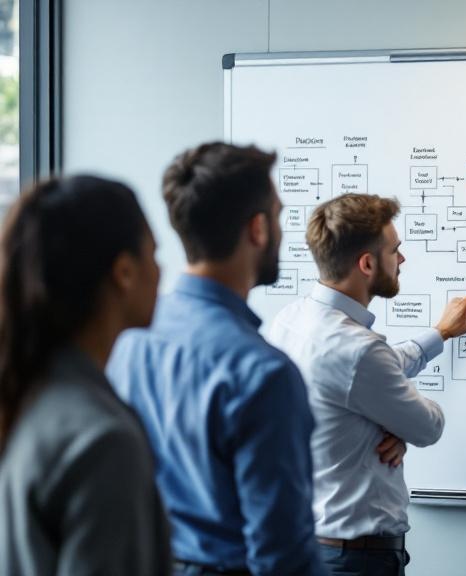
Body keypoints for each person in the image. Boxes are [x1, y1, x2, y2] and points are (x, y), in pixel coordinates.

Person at [107, 142, 325, 576]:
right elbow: (283, 557)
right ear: (258, 229)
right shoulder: (263, 374)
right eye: (278, 215)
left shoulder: (127, 341)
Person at [267, 193, 466, 576]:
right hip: (356, 562)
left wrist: (439, 334)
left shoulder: (290, 319)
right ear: (367, 264)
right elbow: (427, 426)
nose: (402, 260)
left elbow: (365, 374)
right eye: (395, 250)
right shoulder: (359, 350)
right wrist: (398, 420)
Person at [0, 176, 170, 575]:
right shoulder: (104, 440)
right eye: (154, 254)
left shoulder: (26, 394)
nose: (161, 271)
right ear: (124, 272)